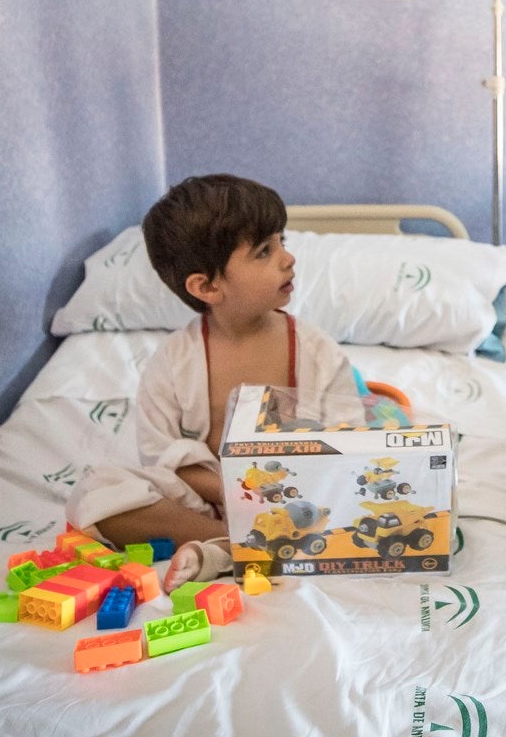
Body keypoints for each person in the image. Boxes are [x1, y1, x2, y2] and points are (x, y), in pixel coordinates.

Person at [65, 174, 360, 589]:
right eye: (263, 251)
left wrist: (287, 493)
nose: (287, 259)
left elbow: (349, 440)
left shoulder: (316, 352)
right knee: (97, 492)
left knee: (373, 494)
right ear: (206, 286)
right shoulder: (173, 363)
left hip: (302, 500)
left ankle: (236, 548)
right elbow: (159, 455)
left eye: (282, 241)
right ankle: (237, 545)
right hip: (207, 503)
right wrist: (231, 492)